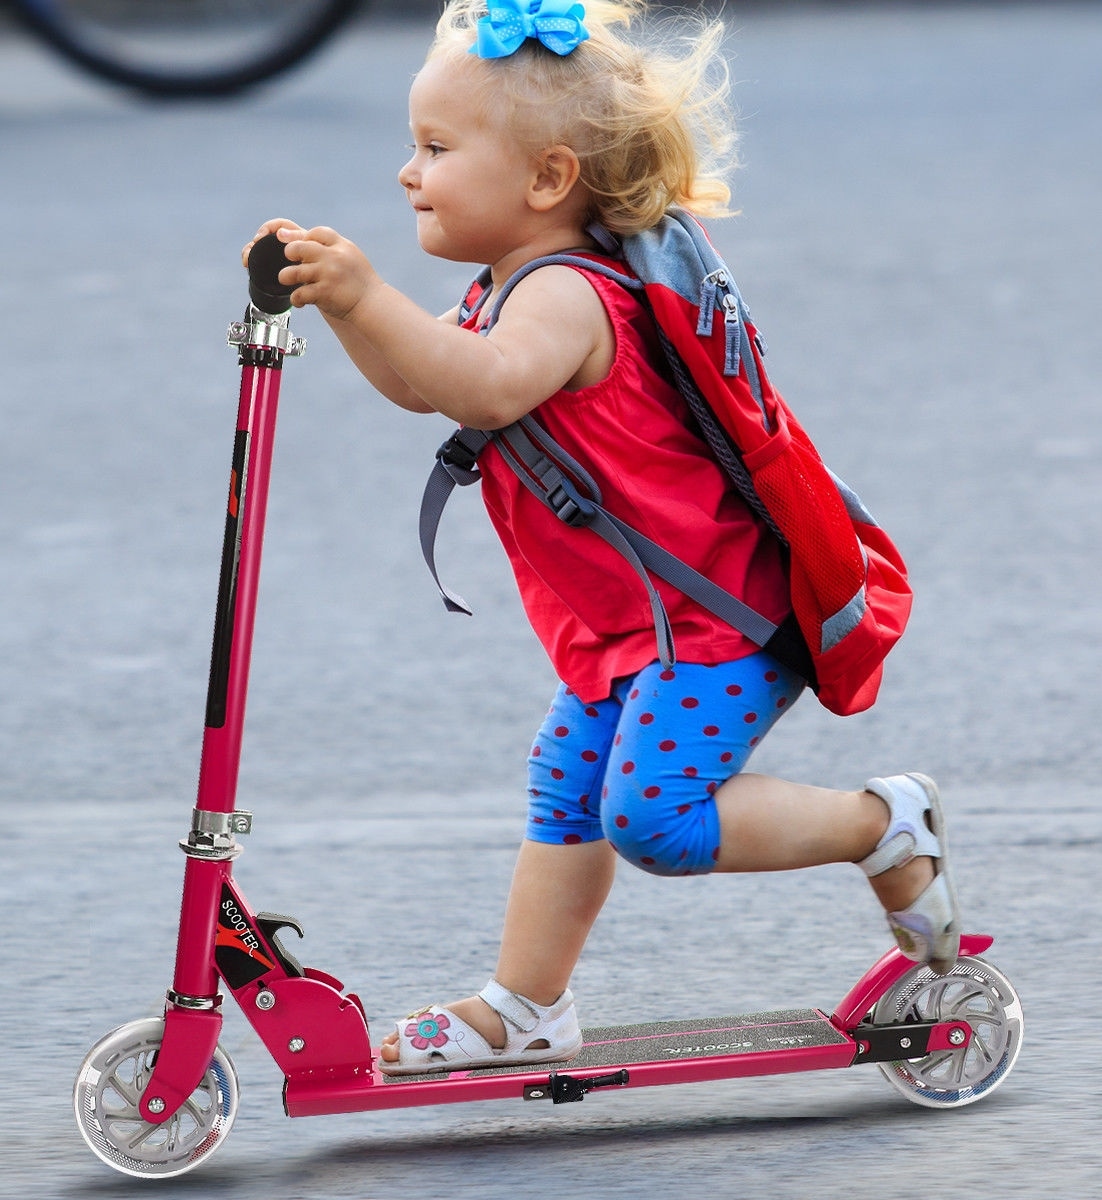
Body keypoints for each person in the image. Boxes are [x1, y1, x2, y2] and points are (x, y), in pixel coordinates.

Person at [244, 0, 961, 1075]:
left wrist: (366, 291)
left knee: (653, 818)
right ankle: (526, 1005)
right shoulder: (505, 292)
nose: (410, 171)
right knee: (567, 795)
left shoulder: (567, 300)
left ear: (546, 181)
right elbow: (419, 386)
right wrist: (346, 306)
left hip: (713, 625)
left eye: (437, 149)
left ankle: (881, 821)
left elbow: (480, 392)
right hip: (632, 629)